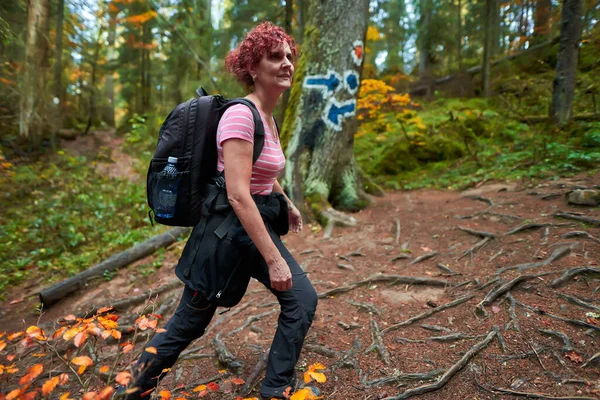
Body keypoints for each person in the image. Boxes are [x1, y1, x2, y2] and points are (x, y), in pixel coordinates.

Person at [119, 22, 318, 400]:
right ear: (252, 69)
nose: (287, 63)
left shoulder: (269, 118)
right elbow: (239, 194)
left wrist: (287, 202)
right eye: (275, 57)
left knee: (302, 299)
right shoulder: (241, 116)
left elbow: (261, 171)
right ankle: (133, 388)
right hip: (224, 237)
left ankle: (275, 389)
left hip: (251, 229)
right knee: (189, 323)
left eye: (289, 56)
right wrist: (274, 260)